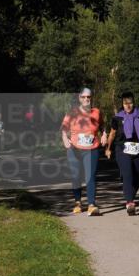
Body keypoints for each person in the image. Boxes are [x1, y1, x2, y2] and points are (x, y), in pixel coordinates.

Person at [61, 88, 106, 216]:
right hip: (74, 149)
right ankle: (77, 203)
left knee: (90, 176)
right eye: (84, 97)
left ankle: (91, 205)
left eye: (89, 97)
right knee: (76, 176)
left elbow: (102, 125)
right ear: (80, 98)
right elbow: (64, 128)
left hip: (92, 149)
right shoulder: (72, 112)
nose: (86, 99)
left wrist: (104, 134)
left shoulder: (97, 112)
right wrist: (65, 138)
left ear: (91, 98)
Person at [105, 92, 139, 215]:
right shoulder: (117, 117)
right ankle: (130, 202)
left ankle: (130, 195)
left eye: (130, 103)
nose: (128, 106)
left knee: (136, 177)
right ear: (122, 104)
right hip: (122, 148)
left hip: (138, 148)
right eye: (125, 103)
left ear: (133, 103)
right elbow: (112, 134)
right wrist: (108, 148)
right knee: (128, 174)